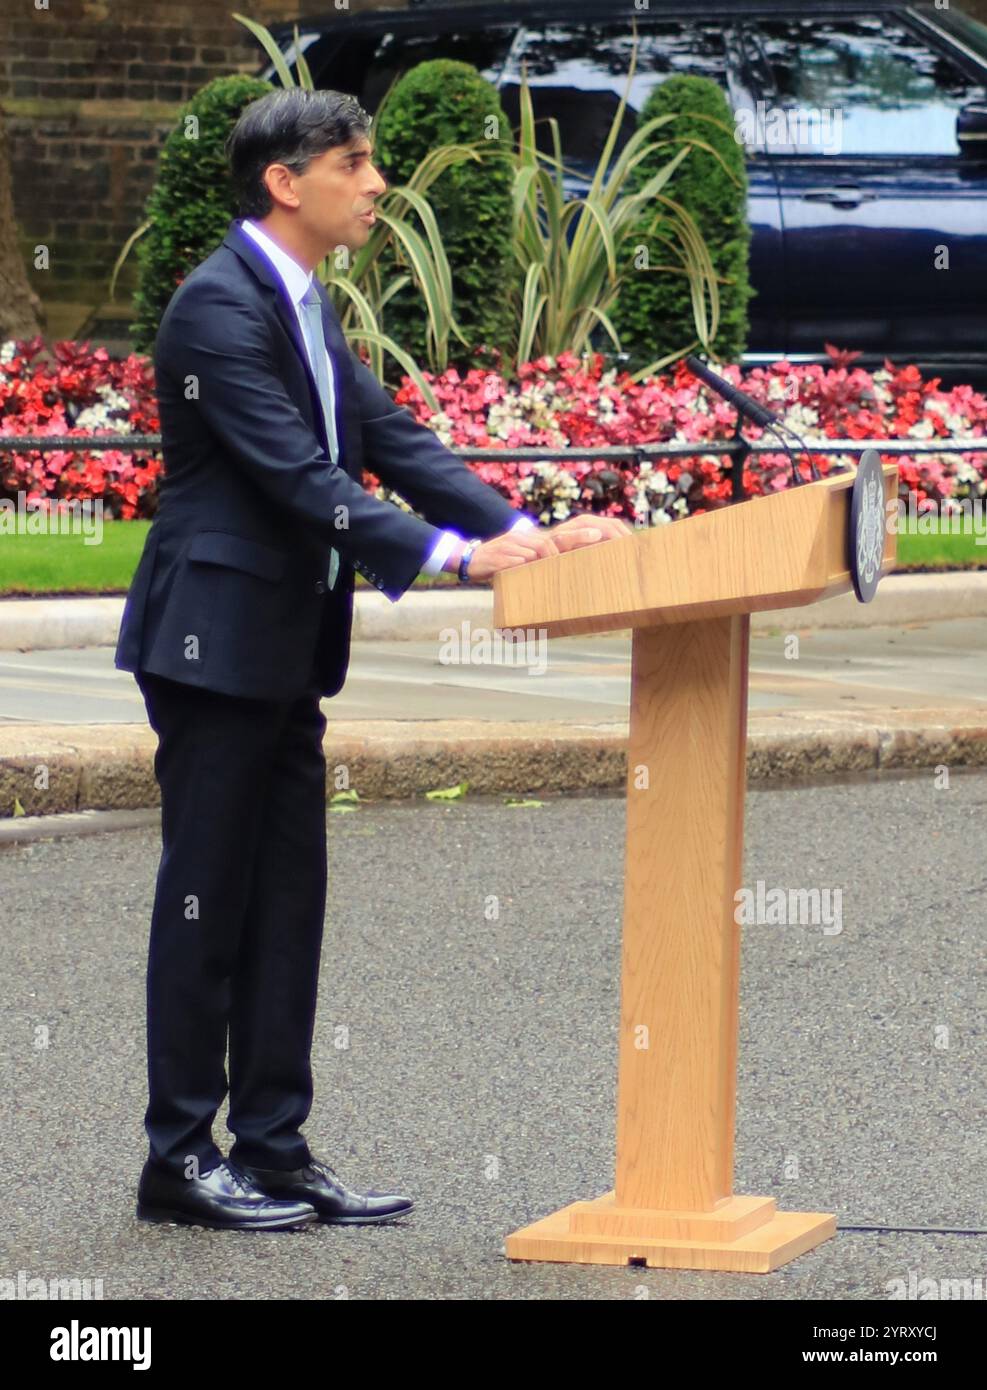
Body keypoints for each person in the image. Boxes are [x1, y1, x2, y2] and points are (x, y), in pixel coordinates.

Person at [115, 86, 631, 1231]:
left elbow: (390, 438)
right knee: (207, 900)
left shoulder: (300, 303)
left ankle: (275, 1145)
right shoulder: (217, 310)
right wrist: (457, 559)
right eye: (355, 162)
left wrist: (524, 534)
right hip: (212, 647)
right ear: (286, 184)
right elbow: (302, 481)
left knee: (288, 897)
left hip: (286, 649)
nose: (379, 181)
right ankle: (178, 1156)